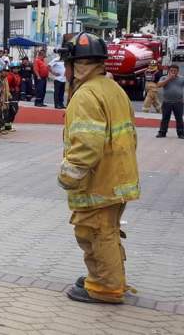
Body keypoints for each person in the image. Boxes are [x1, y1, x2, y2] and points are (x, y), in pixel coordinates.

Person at [55, 32, 139, 304]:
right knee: (107, 231)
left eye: (66, 63)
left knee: (94, 231)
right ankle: (106, 277)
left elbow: (87, 145)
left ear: (76, 64)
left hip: (98, 180)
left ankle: (105, 287)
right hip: (117, 176)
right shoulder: (112, 89)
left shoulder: (85, 95)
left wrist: (67, 176)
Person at [156, 64, 184, 138]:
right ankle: (162, 132)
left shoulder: (181, 79)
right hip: (167, 102)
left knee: (179, 118)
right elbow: (159, 85)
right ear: (169, 71)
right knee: (165, 118)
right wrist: (168, 79)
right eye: (171, 70)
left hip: (178, 102)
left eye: (175, 71)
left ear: (178, 71)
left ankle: (181, 133)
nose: (173, 72)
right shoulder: (164, 77)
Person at [5, 61, 22, 131]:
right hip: (11, 94)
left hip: (16, 94)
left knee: (14, 110)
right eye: (14, 68)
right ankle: (6, 125)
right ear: (11, 69)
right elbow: (7, 86)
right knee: (11, 110)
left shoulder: (18, 76)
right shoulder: (10, 76)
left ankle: (9, 125)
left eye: (17, 68)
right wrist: (8, 94)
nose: (16, 70)